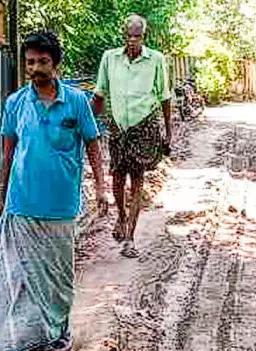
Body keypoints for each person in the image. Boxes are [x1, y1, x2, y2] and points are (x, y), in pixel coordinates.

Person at [0, 31, 108, 351]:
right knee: (19, 280)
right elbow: (9, 155)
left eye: (43, 61)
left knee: (58, 279)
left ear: (56, 63)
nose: (36, 68)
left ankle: (56, 332)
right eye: (30, 61)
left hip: (61, 207)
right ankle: (17, 347)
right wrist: (1, 200)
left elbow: (93, 147)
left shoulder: (76, 102)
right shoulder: (14, 103)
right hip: (21, 205)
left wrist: (100, 189)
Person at [93, 14, 173, 258]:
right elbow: (99, 94)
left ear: (144, 37)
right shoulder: (110, 58)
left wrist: (169, 132)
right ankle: (121, 217)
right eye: (128, 36)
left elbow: (164, 96)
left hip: (144, 126)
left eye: (136, 36)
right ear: (123, 36)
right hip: (118, 126)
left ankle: (130, 237)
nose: (132, 41)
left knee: (137, 180)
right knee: (117, 179)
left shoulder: (156, 60)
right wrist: (85, 125)